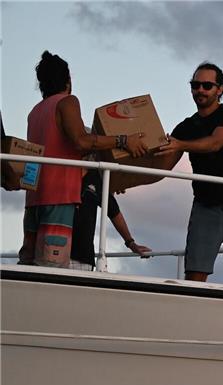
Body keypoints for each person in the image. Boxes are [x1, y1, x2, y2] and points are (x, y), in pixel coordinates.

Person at [19, 51, 147, 267]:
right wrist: (123, 140)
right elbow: (81, 141)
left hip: (33, 201)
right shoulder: (67, 102)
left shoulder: (34, 113)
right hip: (58, 197)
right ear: (68, 80)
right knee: (53, 271)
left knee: (31, 268)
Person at [156, 62, 223, 285]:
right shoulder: (185, 127)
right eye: (195, 85)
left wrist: (180, 144)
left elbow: (215, 143)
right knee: (195, 274)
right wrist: (122, 177)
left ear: (220, 89)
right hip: (205, 205)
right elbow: (162, 169)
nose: (200, 90)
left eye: (206, 85)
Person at [69, 169, 151, 270]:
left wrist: (131, 243)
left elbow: (114, 211)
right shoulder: (57, 170)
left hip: (81, 256)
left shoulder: (94, 178)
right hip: (51, 248)